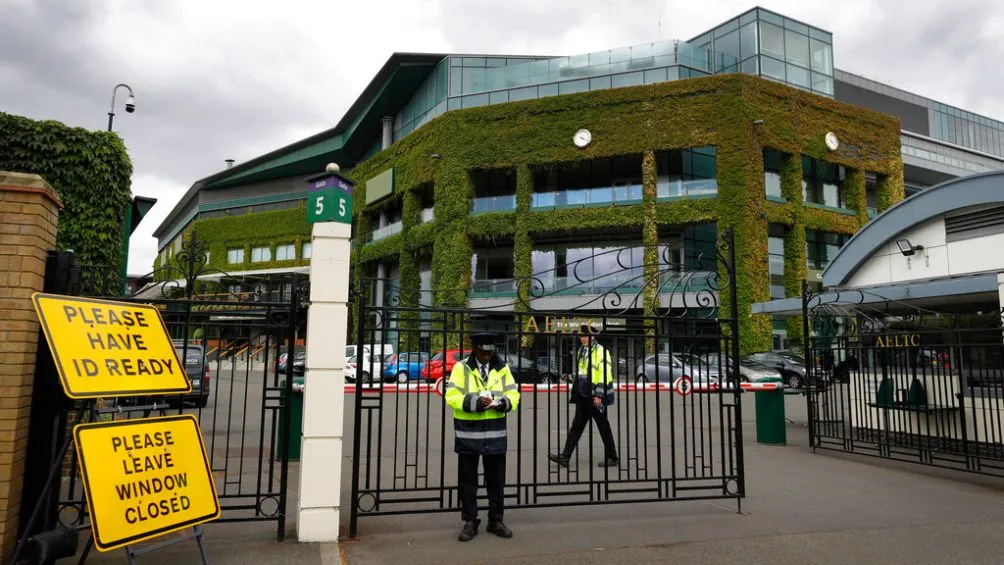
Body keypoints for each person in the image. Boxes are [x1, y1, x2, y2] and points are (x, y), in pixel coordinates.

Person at [444, 332, 521, 542]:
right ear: (475, 349)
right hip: (468, 434)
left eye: (490, 352)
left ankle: (496, 520)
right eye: (483, 352)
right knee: (468, 481)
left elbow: (514, 393)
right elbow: (451, 396)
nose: (487, 356)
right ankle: (470, 520)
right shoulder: (461, 368)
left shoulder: (502, 368)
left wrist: (505, 402)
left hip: (495, 434)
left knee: (496, 481)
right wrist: (475, 402)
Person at [549, 333, 618, 468]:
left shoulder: (600, 351)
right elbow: (585, 372)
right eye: (581, 336)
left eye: (586, 336)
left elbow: (604, 373)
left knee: (603, 427)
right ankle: (565, 456)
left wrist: (599, 395)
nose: (583, 338)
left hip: (594, 396)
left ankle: (612, 457)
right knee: (576, 427)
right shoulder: (582, 350)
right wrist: (572, 377)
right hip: (583, 395)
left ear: (592, 336)